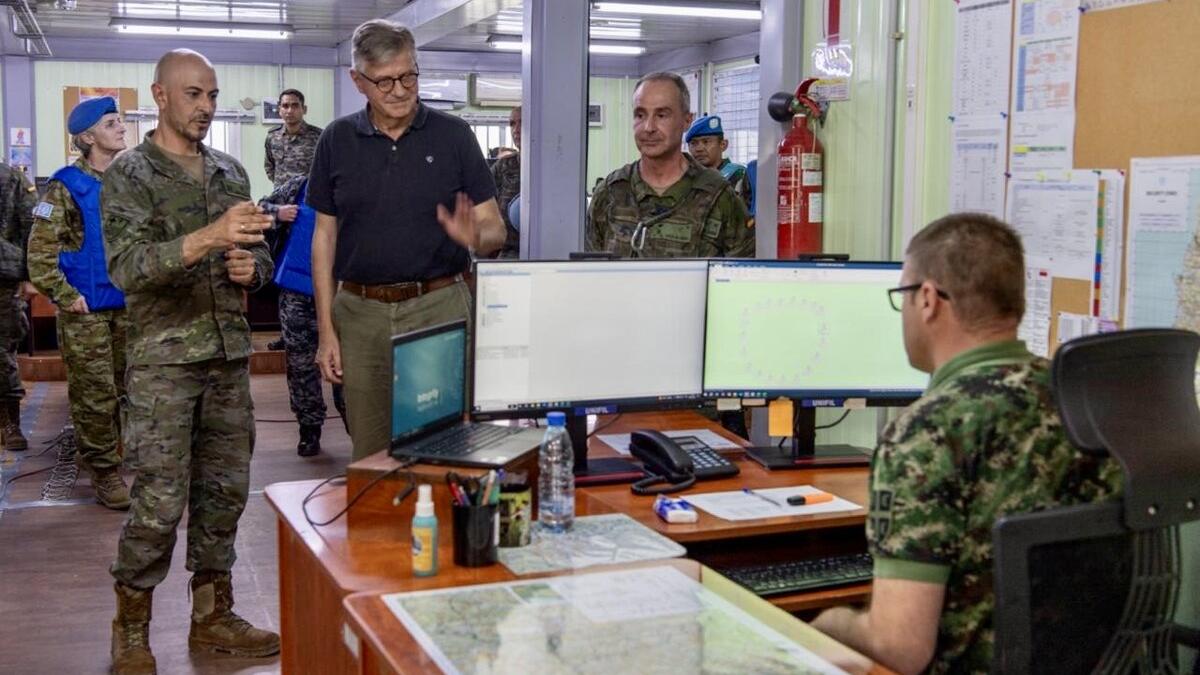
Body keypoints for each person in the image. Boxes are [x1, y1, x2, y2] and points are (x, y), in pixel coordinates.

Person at [810, 213, 1122, 674]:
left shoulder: (927, 433)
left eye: (904, 297)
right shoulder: (1089, 401)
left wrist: (828, 623)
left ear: (929, 301)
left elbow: (899, 646)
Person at [102, 49, 279, 673]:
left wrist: (249, 268)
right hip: (164, 365)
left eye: (211, 95)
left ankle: (212, 614)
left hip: (228, 359)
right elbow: (126, 269)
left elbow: (258, 261)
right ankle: (131, 624)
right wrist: (208, 238)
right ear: (161, 95)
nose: (205, 107)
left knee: (223, 494)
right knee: (157, 503)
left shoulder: (231, 174)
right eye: (193, 95)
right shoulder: (131, 174)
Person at [308, 19, 506, 461]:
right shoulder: (337, 140)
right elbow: (324, 239)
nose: (399, 90)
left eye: (409, 75)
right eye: (384, 82)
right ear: (358, 81)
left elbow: (495, 230)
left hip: (438, 305)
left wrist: (475, 235)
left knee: (442, 446)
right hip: (360, 314)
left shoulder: (453, 135)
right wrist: (326, 332)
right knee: (371, 451)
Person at [27, 96, 131, 510]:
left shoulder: (128, 181)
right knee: (95, 395)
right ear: (87, 137)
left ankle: (116, 456)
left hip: (127, 305)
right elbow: (39, 254)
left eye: (119, 120)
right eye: (111, 123)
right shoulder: (65, 185)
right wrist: (67, 298)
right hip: (86, 311)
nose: (121, 127)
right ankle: (104, 472)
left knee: (125, 390)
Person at [586, 72, 753, 259]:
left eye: (662, 115)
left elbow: (743, 278)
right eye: (640, 115)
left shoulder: (719, 197)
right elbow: (592, 275)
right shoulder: (610, 194)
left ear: (686, 121)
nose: (648, 127)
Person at [259, 174, 347, 456]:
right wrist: (278, 213)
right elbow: (260, 210)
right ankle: (309, 428)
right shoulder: (298, 186)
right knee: (300, 363)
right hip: (296, 292)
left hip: (342, 292)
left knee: (346, 364)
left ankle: (355, 425)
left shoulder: (357, 185)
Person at [0, 158, 36, 454]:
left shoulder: (11, 178)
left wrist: (29, 276)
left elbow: (32, 228)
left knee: (2, 352)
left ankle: (10, 423)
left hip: (3, 276)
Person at [685, 113, 753, 211]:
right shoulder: (686, 177)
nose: (699, 149)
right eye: (693, 143)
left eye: (706, 142)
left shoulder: (739, 174)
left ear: (723, 144)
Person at [264, 88, 322, 188]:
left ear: (304, 109)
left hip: (308, 198)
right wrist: (283, 186)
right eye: (285, 106)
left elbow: (326, 169)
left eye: (295, 106)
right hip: (281, 198)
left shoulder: (318, 137)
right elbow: (269, 166)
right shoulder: (273, 136)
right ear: (279, 110)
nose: (289, 111)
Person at [490, 105, 521, 257]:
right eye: (512, 124)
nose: (516, 130)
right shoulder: (504, 166)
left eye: (522, 123)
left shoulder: (552, 168)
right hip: (508, 252)